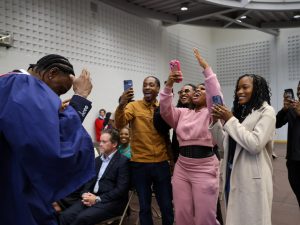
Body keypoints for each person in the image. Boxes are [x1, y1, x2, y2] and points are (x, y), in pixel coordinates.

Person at [0, 54, 95, 225]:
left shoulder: (8, 85)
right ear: (51, 73)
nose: (56, 98)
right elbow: (50, 148)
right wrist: (80, 97)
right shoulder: (22, 86)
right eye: (59, 90)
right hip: (18, 192)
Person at [159, 49, 221, 225]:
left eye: (203, 89)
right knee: (182, 214)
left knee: (205, 218)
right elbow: (164, 109)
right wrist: (169, 83)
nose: (198, 91)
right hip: (182, 168)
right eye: (197, 89)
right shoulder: (181, 113)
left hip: (205, 168)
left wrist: (207, 69)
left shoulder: (212, 113)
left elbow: (216, 96)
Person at [210, 74, 275, 225]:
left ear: (257, 89)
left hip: (252, 178)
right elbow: (224, 146)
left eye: (245, 87)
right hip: (232, 174)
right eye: (238, 88)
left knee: (252, 219)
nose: (240, 91)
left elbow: (255, 144)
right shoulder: (240, 113)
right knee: (236, 218)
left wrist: (230, 119)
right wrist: (216, 123)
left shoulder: (267, 111)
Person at [115, 76, 174, 225]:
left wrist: (172, 161)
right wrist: (122, 104)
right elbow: (120, 123)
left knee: (166, 205)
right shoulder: (133, 106)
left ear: (158, 89)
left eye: (151, 85)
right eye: (145, 85)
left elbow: (167, 136)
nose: (147, 87)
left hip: (161, 163)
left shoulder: (163, 107)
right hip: (140, 164)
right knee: (144, 206)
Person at [59, 129, 130, 225]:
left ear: (114, 144)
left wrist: (97, 199)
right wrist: (85, 194)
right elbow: (89, 181)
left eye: (104, 142)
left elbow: (121, 189)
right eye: (100, 141)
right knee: (66, 215)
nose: (100, 144)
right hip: (92, 197)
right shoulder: (97, 160)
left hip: (111, 202)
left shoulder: (123, 161)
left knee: (82, 218)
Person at [276, 82, 300, 207]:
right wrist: (284, 109)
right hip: (293, 161)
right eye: (298, 88)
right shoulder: (292, 108)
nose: (299, 90)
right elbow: (276, 124)